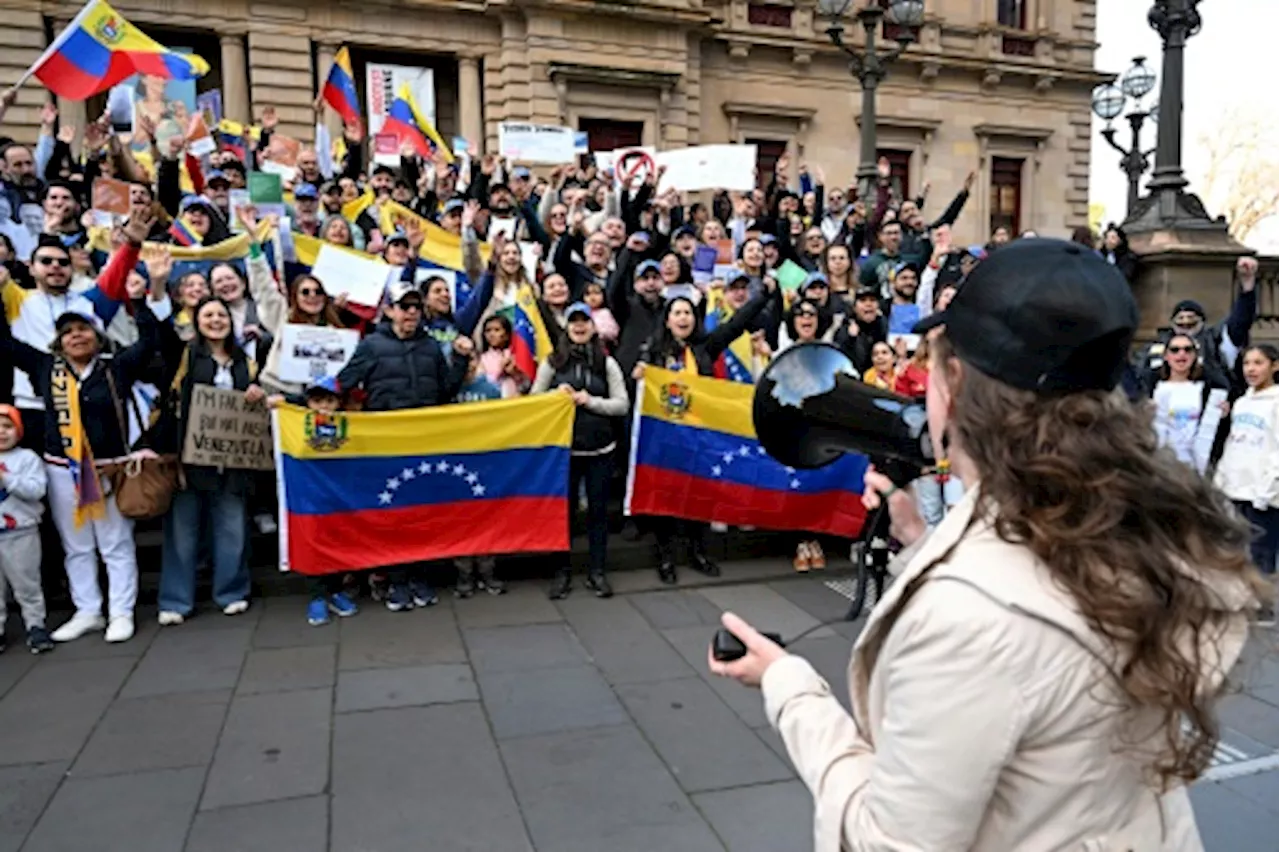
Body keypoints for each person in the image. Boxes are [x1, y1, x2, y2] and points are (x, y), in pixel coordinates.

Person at [709, 237, 1264, 851]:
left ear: (955, 381)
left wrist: (789, 686)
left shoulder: (963, 620)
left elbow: (890, 843)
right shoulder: (1138, 526)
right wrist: (923, 544)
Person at [1, 295, 162, 645]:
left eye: (83, 329)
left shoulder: (114, 367)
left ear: (97, 335)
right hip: (62, 470)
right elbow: (5, 343)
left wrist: (137, 300)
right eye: (68, 331)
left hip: (107, 470)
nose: (77, 336)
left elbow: (150, 341)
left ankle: (121, 611)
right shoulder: (46, 368)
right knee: (77, 546)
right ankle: (88, 610)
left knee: (115, 543)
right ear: (58, 341)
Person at [636, 277, 779, 584]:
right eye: (677, 313)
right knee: (667, 497)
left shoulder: (706, 347)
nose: (683, 318)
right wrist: (639, 374)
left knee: (698, 492)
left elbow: (738, 323)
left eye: (688, 313)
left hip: (698, 434)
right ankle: (665, 556)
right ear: (668, 320)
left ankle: (698, 552)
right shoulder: (654, 350)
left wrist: (763, 294)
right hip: (666, 437)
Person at [337, 281, 469, 610]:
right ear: (390, 310)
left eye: (415, 307)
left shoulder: (429, 347)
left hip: (424, 442)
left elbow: (445, 391)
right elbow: (343, 382)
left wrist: (460, 361)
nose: (411, 312)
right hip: (387, 445)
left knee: (423, 512)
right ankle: (397, 580)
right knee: (393, 513)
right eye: (404, 306)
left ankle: (420, 577)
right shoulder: (371, 345)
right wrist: (298, 403)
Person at [153, 296, 264, 624]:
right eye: (208, 315)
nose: (216, 320)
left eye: (222, 315)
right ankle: (175, 601)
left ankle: (231, 592)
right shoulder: (184, 354)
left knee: (232, 528)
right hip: (189, 457)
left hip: (233, 461)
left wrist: (255, 392)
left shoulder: (246, 361)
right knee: (182, 531)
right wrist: (158, 288)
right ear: (197, 322)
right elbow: (159, 335)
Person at [531, 302, 628, 600]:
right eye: (573, 321)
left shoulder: (606, 363)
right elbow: (534, 400)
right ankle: (561, 572)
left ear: (592, 326)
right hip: (565, 453)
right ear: (566, 326)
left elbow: (621, 404)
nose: (579, 326)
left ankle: (597, 572)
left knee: (598, 514)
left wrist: (590, 401)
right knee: (564, 515)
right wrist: (553, 397)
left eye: (584, 320)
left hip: (600, 449)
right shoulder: (552, 361)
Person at [1215, 344, 1280, 621]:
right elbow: (1234, 442)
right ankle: (1242, 599)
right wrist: (1221, 477)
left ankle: (1263, 606)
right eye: (1247, 364)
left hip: (1262, 490)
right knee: (1237, 548)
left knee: (1262, 551)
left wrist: (1269, 487)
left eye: (1258, 363)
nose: (1251, 369)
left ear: (1274, 366)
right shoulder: (1241, 402)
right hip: (1236, 486)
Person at [0, 404, 54, 654]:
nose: (1, 432)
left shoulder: (27, 459)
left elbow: (37, 491)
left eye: (7, 426)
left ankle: (36, 625)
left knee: (27, 583)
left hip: (21, 532)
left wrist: (7, 480)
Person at [1149, 333, 1229, 474]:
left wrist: (1223, 416)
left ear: (1194, 355)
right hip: (1160, 467)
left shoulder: (1207, 390)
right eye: (1175, 350)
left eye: (1187, 349)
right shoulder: (1152, 388)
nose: (1181, 354)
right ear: (1166, 356)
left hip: (1197, 468)